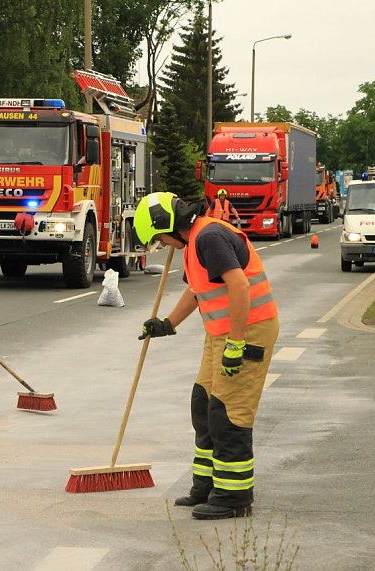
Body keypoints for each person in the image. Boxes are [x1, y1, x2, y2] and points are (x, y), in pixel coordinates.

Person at [133, 192, 279, 520]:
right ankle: (207, 485)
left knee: (229, 414)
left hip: (248, 331)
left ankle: (233, 496)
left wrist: (237, 344)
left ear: (167, 226)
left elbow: (239, 287)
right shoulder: (194, 241)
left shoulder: (210, 237)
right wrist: (167, 324)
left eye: (159, 240)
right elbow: (197, 289)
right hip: (220, 334)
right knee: (203, 405)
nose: (163, 246)